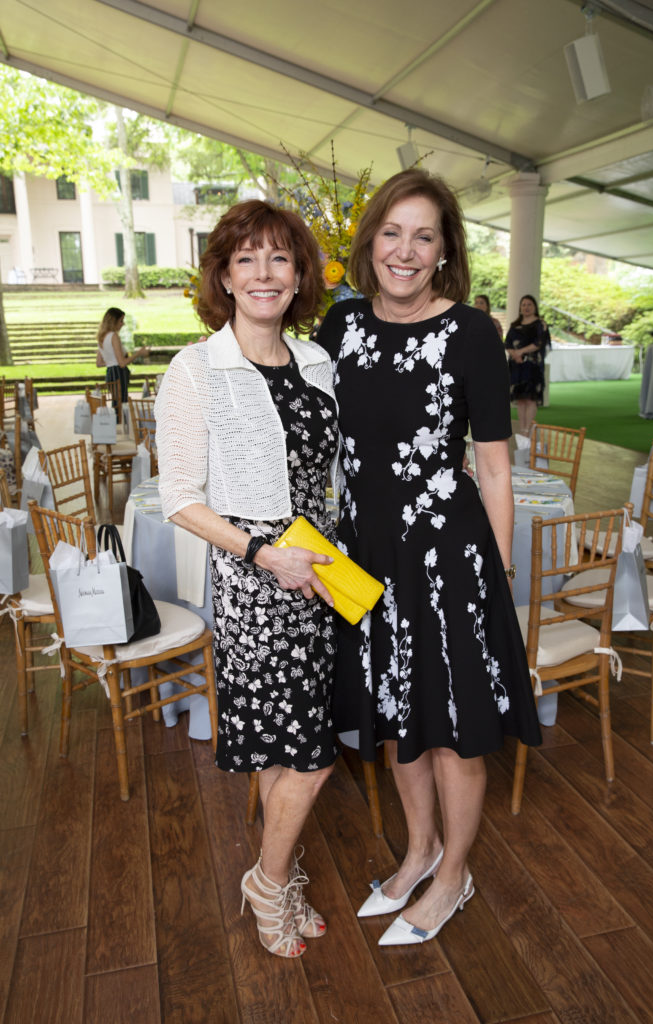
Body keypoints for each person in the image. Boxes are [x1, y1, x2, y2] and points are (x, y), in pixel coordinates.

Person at [317, 169, 541, 947]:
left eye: (423, 235)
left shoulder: (472, 333)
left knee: (450, 725)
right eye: (392, 232)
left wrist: (499, 580)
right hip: (363, 556)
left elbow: (495, 467)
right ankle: (418, 852)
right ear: (369, 239)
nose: (405, 251)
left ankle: (454, 876)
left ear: (444, 250)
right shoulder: (337, 331)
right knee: (392, 713)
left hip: (448, 557)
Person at [154, 200, 341, 960]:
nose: (264, 273)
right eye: (247, 259)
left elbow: (331, 473)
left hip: (321, 576)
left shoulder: (317, 362)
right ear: (224, 277)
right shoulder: (197, 369)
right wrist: (264, 554)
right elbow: (178, 499)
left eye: (280, 259)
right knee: (313, 752)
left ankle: (278, 870)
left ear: (299, 276)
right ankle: (268, 883)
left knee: (277, 747)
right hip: (258, 587)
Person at [504, 294, 551, 437]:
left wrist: (521, 352)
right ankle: (522, 428)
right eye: (523, 305)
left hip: (532, 366)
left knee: (531, 398)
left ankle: (527, 429)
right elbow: (508, 343)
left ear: (535, 307)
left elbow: (538, 344)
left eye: (529, 304)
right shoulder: (515, 325)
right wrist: (515, 354)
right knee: (520, 399)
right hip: (517, 367)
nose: (526, 307)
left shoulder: (540, 324)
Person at [95, 307, 149, 414]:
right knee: (121, 404)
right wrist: (139, 353)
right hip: (118, 373)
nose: (123, 324)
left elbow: (99, 363)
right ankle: (121, 426)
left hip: (110, 373)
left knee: (116, 404)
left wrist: (111, 361)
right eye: (121, 321)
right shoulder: (113, 336)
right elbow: (122, 363)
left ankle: (117, 426)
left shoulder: (102, 337)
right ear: (113, 321)